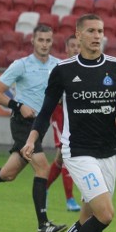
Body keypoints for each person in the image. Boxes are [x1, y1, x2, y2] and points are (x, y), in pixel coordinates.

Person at [28, 14, 116, 232]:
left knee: (87, 219)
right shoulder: (64, 71)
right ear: (78, 35)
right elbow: (45, 110)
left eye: (100, 30)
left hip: (108, 153)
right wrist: (32, 139)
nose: (96, 35)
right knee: (106, 214)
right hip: (77, 151)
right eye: (90, 31)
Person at [0, 24, 67, 232]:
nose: (45, 44)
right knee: (42, 168)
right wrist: (19, 106)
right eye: (41, 40)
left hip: (41, 125)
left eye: (48, 41)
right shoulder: (21, 65)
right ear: (33, 41)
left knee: (7, 174)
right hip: (22, 122)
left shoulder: (58, 66)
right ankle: (43, 224)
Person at [47, 35, 80, 212]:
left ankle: (42, 187)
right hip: (60, 116)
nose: (75, 49)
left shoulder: (85, 69)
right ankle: (70, 199)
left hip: (76, 118)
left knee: (60, 158)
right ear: (66, 49)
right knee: (68, 155)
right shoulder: (59, 69)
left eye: (78, 46)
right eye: (72, 46)